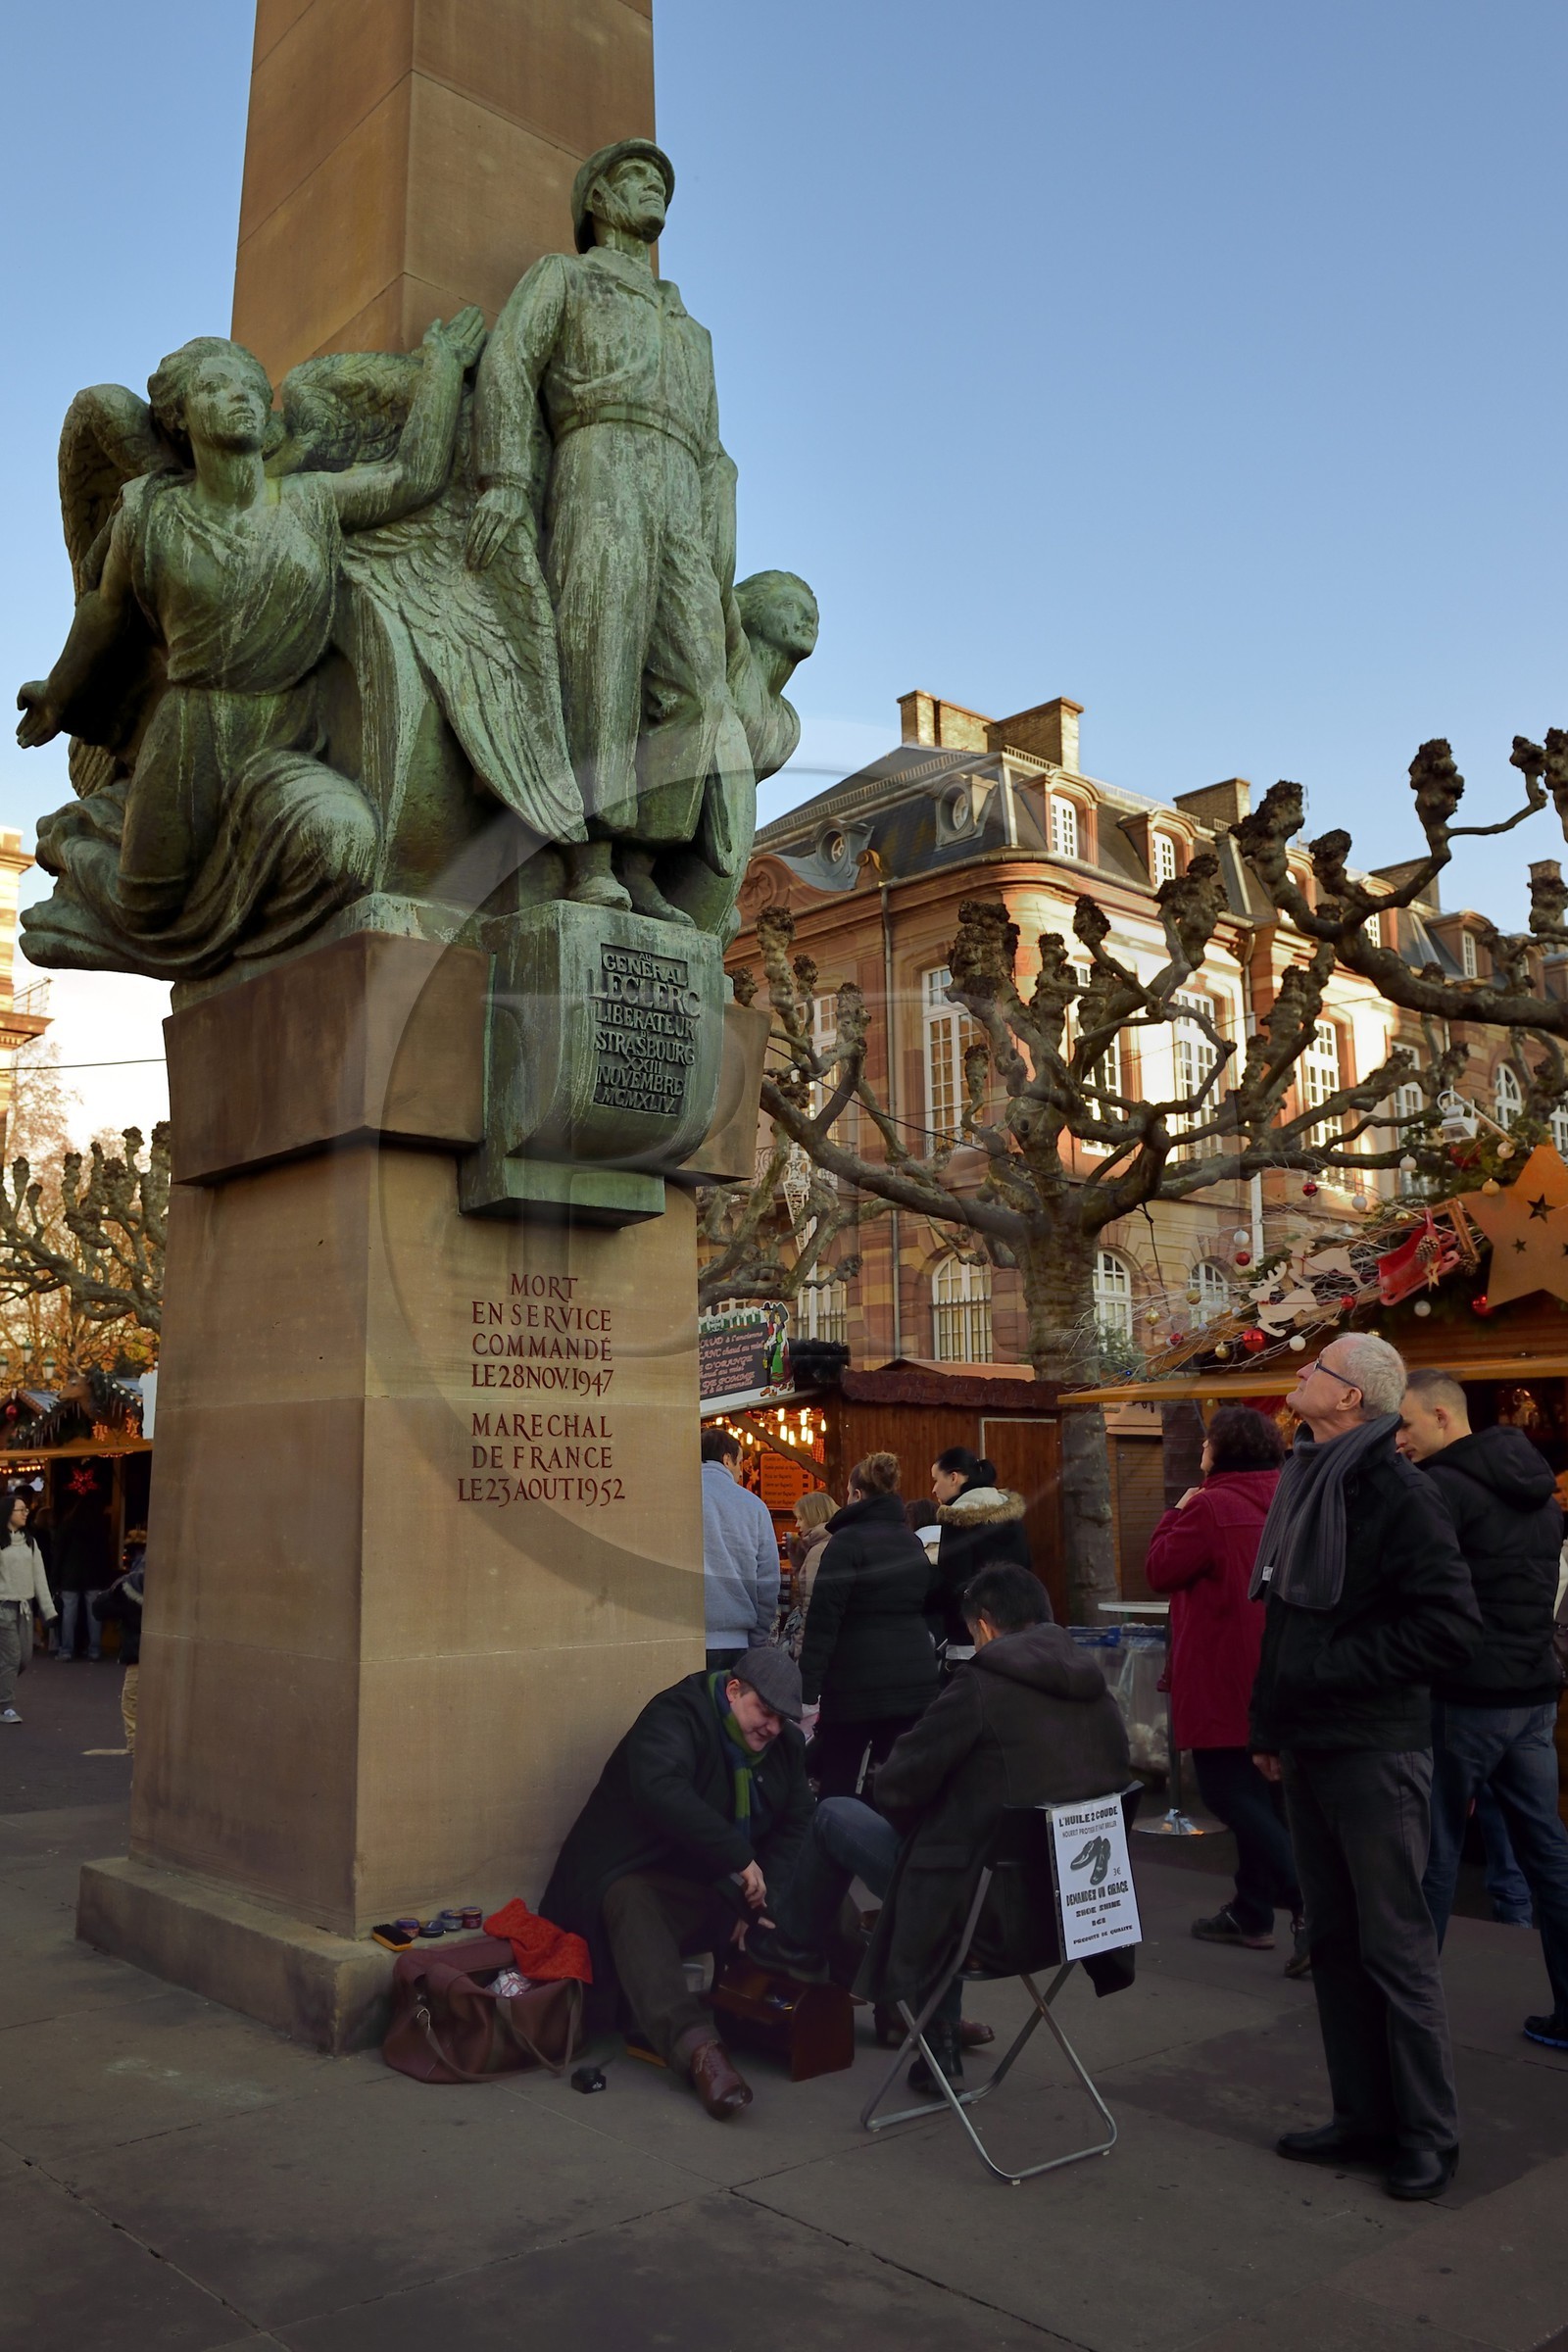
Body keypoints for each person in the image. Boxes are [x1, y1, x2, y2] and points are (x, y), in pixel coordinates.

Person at [1250, 1333, 1482, 2202]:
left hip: (1377, 1749)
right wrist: (1269, 1720)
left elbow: (1450, 1628)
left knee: (1396, 1949)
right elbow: (1282, 1618)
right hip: (1311, 1744)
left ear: (1350, 1399)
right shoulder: (1307, 1481)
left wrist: (1325, 1672)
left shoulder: (1399, 1490)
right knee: (1334, 1942)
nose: (1298, 1378)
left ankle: (1429, 2136)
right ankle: (1360, 2116)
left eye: (1314, 1371)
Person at [758, 1563, 1131, 2091]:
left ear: (983, 1626)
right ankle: (940, 2048)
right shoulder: (1097, 1692)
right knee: (953, 1864)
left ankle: (792, 1942)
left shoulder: (981, 1686)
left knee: (839, 1816)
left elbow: (896, 1788)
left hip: (986, 1917)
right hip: (1075, 1918)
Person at [540, 1645, 812, 2119]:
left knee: (823, 1896)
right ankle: (701, 2052)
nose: (770, 1728)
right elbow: (661, 1789)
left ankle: (911, 2012)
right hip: (650, 1877)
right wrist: (739, 1858)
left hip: (720, 1885)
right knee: (629, 1901)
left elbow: (797, 1827)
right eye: (763, 1711)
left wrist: (759, 1903)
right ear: (733, 1690)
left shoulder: (782, 1745)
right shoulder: (677, 1713)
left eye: (781, 1719)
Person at [1397, 1368, 1568, 2053]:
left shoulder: (1438, 1490)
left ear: (1443, 1416)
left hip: (1463, 1695)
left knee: (1434, 1850)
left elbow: (1423, 1595)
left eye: (1405, 1423)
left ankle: (1412, 2025)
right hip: (1530, 1693)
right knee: (1547, 1851)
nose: (1398, 1438)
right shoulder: (1537, 1493)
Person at [1146, 1404, 1307, 1974]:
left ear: (1221, 1450)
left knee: (1225, 1790)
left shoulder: (1210, 1505)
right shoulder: (1294, 1498)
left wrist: (1175, 1512)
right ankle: (1253, 1910)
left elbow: (1161, 1568)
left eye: (1207, 1443)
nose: (1200, 1452)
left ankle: (1304, 1901)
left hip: (1223, 1668)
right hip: (1284, 1666)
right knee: (1268, 1798)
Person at [798, 1453, 939, 1798]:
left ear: (857, 1495)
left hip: (853, 1681)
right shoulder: (910, 1542)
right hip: (912, 1676)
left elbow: (823, 1619)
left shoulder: (846, 1543)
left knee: (840, 1775)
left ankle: (839, 1842)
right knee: (893, 1778)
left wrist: (807, 1688)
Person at [927, 1448, 1038, 1653]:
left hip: (970, 1638)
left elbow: (954, 1582)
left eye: (936, 1479)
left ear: (954, 1477)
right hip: (1015, 1632)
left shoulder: (956, 1519)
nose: (934, 1489)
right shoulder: (1012, 1517)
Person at [700, 1429, 780, 1673]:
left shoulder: (673, 1499)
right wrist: (757, 1640)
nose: (741, 1471)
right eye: (740, 1462)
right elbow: (768, 1580)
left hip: (677, 1636)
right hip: (735, 1640)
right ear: (727, 1460)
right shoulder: (753, 1506)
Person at [0, 1493, 57, 1723]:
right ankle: (6, 1707)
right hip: (3, 1607)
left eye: (26, 1509)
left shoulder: (30, 1543)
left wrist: (49, 1610)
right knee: (12, 1656)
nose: (26, 1513)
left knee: (24, 1657)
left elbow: (39, 1577)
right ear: (7, 1513)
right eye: (20, 1510)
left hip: (25, 1607)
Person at [52, 1491, 110, 1661]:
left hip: (70, 1575)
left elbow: (58, 1554)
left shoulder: (67, 1526)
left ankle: (67, 1650)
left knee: (69, 1614)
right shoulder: (99, 1527)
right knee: (94, 1614)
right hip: (93, 1576)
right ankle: (94, 1649)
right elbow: (104, 1555)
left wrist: (55, 1580)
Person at [779, 1488, 836, 1660]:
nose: (797, 1525)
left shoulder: (818, 1551)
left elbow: (809, 1605)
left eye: (800, 1518)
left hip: (812, 1645)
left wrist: (799, 1647)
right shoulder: (832, 1542)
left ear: (813, 1516)